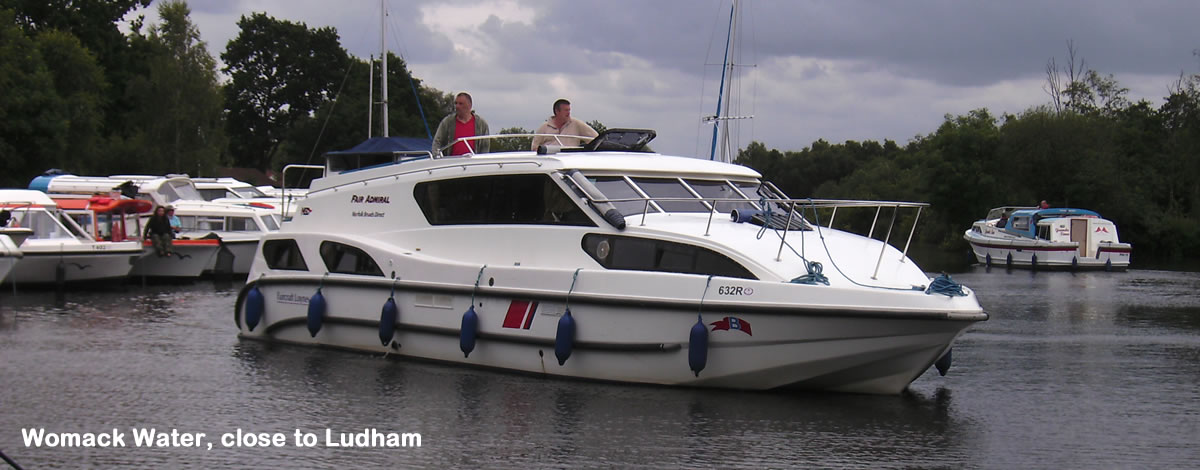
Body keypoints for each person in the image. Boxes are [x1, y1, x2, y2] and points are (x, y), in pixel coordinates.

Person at [432, 92, 490, 156]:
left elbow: (485, 146)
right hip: (452, 163)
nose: (457, 106)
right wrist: (437, 157)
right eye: (456, 103)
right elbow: (437, 141)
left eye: (461, 104)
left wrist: (481, 161)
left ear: (469, 105)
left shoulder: (481, 124)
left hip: (473, 162)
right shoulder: (447, 122)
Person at [531, 99, 598, 151]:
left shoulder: (577, 124)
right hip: (550, 161)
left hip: (570, 160)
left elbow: (595, 138)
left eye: (569, 110)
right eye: (566, 110)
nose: (568, 113)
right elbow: (534, 148)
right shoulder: (544, 128)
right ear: (557, 111)